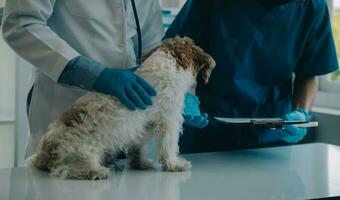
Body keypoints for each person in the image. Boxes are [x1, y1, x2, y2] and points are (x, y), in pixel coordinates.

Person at [1, 0, 207, 158]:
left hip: (125, 130)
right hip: (65, 111)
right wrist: (94, 74)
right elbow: (20, 23)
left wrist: (177, 94)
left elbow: (152, 44)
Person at [166, 0, 339, 153]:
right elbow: (174, 53)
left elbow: (309, 74)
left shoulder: (312, 6)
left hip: (273, 136)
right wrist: (183, 95)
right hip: (208, 128)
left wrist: (301, 112)